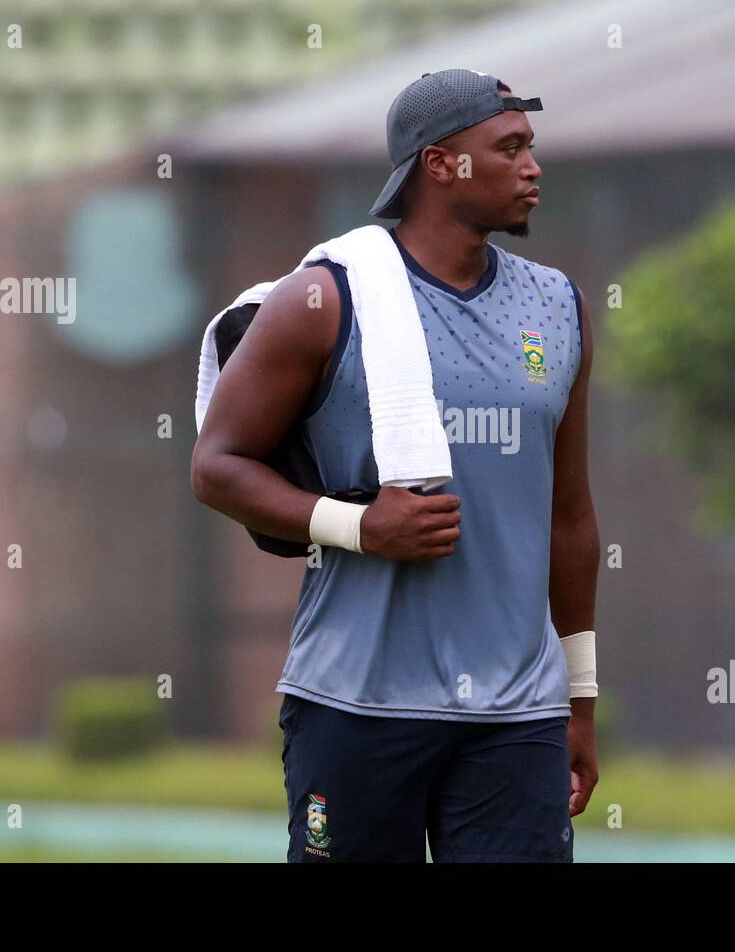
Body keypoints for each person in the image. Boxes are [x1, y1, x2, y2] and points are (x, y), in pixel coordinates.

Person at [191, 69, 600, 862]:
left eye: (532, 148)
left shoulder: (559, 306)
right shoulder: (324, 300)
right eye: (509, 148)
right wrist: (360, 527)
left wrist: (578, 698)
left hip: (517, 715)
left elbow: (570, 514)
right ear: (440, 164)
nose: (532, 167)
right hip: (356, 703)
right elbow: (216, 466)